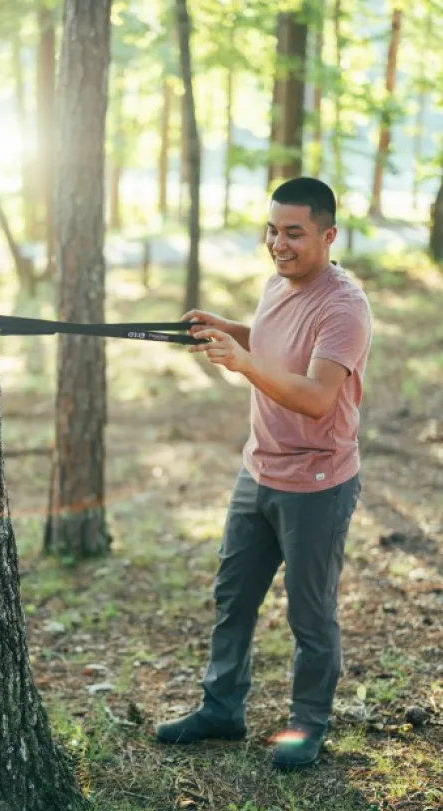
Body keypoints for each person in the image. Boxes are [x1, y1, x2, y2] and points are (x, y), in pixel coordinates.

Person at [155, 177, 373, 770]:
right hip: (259, 472)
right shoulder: (279, 283)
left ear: (328, 235)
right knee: (234, 597)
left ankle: (307, 725)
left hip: (317, 483)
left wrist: (243, 363)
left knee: (309, 614)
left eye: (294, 233)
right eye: (273, 230)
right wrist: (231, 330)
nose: (279, 244)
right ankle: (221, 709)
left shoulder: (344, 307)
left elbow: (315, 397)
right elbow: (277, 349)